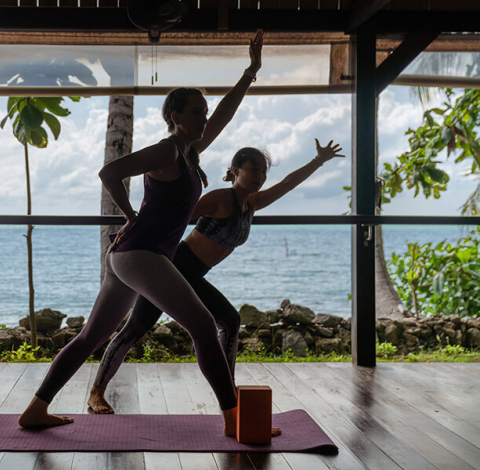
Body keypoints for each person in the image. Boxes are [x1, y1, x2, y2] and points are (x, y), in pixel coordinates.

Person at [18, 30, 265, 436]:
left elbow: (225, 113)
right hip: (141, 254)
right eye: (196, 112)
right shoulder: (168, 150)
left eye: (204, 112)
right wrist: (130, 215)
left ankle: (35, 409)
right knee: (203, 327)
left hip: (132, 258)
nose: (205, 118)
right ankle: (234, 419)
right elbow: (110, 172)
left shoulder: (190, 152)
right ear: (175, 117)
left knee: (89, 338)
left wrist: (250, 73)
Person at [87, 139, 344, 422]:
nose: (259, 176)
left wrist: (318, 161)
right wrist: (135, 232)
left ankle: (227, 391)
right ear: (235, 169)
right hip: (175, 267)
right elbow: (173, 218)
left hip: (194, 274)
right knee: (136, 328)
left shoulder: (252, 204)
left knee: (230, 321)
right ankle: (97, 391)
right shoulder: (220, 199)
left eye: (263, 172)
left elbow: (287, 184)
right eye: (253, 169)